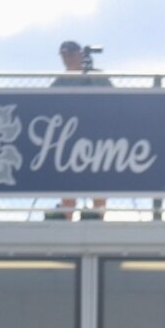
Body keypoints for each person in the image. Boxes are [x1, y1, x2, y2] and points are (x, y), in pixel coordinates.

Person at [48, 40, 112, 219]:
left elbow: (113, 101)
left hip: (97, 138)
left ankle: (98, 217)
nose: (67, 59)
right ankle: (66, 217)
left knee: (98, 180)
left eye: (70, 54)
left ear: (79, 55)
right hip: (69, 140)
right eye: (64, 55)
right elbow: (48, 104)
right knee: (68, 183)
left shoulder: (97, 77)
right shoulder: (60, 81)